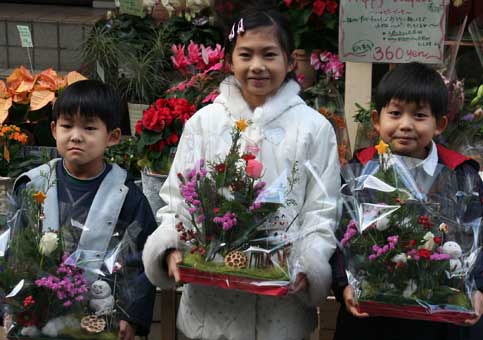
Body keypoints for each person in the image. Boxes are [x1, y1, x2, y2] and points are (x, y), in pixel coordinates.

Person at [142, 5, 340, 340]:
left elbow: (322, 209)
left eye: (270, 54)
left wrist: (311, 263)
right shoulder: (205, 123)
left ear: (290, 62)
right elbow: (178, 200)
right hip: (209, 312)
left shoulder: (314, 129)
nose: (257, 66)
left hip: (281, 312)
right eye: (245, 54)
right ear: (229, 61)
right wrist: (172, 248)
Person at [331, 62, 483, 340]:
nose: (406, 125)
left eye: (420, 115)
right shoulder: (360, 171)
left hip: (439, 314)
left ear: (440, 124)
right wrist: (344, 285)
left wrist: (479, 289)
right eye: (396, 113)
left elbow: (479, 236)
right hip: (374, 311)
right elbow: (341, 234)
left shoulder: (462, 175)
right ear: (377, 120)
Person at [12, 80, 157, 340]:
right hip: (40, 315)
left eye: (90, 128)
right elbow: (16, 249)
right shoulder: (34, 185)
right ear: (54, 129)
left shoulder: (126, 195)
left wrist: (130, 314)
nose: (76, 136)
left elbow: (142, 260)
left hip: (100, 314)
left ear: (112, 137)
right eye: (67, 126)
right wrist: (13, 301)